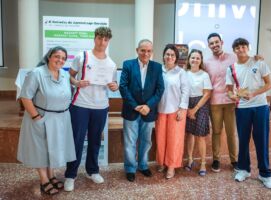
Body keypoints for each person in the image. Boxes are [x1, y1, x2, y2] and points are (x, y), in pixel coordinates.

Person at [64, 27, 118, 191]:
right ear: (95, 38)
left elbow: (113, 85)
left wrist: (115, 86)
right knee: (76, 141)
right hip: (80, 104)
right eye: (100, 38)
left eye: (106, 40)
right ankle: (70, 174)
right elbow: (69, 75)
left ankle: (92, 170)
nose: (102, 42)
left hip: (101, 106)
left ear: (108, 41)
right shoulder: (82, 56)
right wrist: (76, 82)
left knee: (95, 140)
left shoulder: (111, 64)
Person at [17, 46, 76, 195]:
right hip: (41, 117)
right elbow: (25, 97)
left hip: (60, 119)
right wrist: (36, 117)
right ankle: (44, 180)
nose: (60, 60)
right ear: (49, 57)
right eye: (57, 56)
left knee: (53, 148)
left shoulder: (63, 74)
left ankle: (52, 175)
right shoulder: (36, 74)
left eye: (63, 58)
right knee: (41, 150)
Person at [226, 38, 271, 189]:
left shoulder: (258, 62)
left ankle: (265, 174)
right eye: (237, 48)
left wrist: (254, 94)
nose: (241, 49)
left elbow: (269, 84)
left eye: (243, 46)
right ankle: (243, 169)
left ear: (248, 47)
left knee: (262, 140)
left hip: (260, 106)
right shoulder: (231, 68)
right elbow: (229, 89)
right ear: (234, 50)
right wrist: (232, 96)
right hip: (242, 107)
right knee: (243, 139)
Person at [119, 39, 164, 182]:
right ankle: (130, 168)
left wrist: (148, 106)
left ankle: (143, 165)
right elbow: (123, 87)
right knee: (130, 142)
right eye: (143, 50)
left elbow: (160, 89)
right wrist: (135, 105)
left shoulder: (157, 67)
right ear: (137, 50)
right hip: (131, 110)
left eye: (149, 51)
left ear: (152, 52)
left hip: (148, 111)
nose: (146, 53)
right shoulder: (128, 64)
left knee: (146, 141)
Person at [204, 33, 238, 172]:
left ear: (222, 42)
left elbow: (246, 64)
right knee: (216, 132)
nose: (214, 45)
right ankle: (216, 159)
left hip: (231, 101)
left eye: (216, 42)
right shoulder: (206, 62)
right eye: (211, 43)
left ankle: (234, 160)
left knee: (231, 132)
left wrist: (257, 58)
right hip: (215, 102)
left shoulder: (233, 57)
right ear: (209, 46)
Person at [155, 44, 189, 179]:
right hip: (160, 110)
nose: (169, 57)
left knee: (174, 140)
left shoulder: (181, 72)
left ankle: (171, 166)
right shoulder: (158, 70)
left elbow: (186, 91)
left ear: (176, 58)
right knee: (161, 138)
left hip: (176, 111)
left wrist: (182, 108)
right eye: (167, 54)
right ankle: (162, 162)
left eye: (172, 55)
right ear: (163, 56)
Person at [185, 49, 212, 176]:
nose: (195, 60)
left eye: (197, 58)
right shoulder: (184, 73)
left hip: (200, 104)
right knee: (189, 134)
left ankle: (202, 163)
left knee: (200, 135)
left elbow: (207, 94)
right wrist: (187, 108)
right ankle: (190, 160)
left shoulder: (204, 75)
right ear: (189, 59)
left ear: (201, 61)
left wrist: (194, 109)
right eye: (193, 57)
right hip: (186, 103)